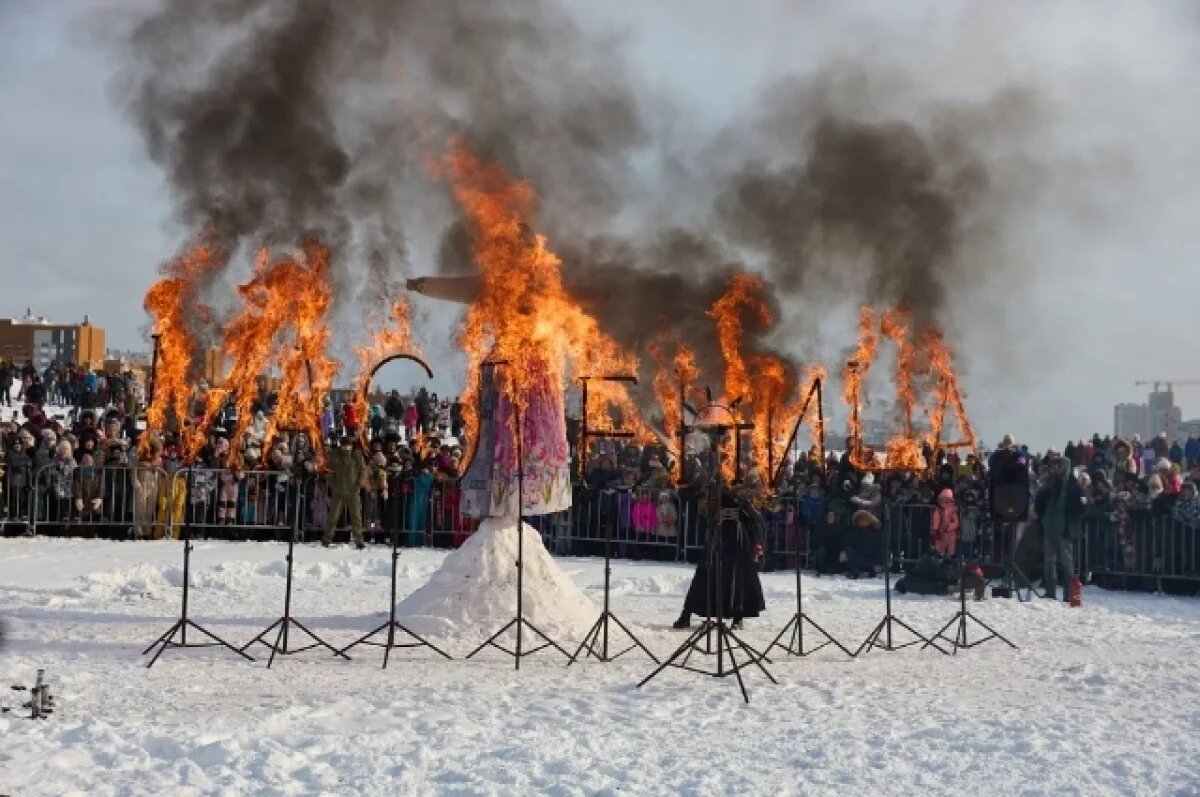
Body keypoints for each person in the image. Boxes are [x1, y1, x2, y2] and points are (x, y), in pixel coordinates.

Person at [672, 477, 766, 631]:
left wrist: (742, 496)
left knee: (737, 576)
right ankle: (686, 614)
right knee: (705, 573)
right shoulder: (714, 483)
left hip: (737, 536)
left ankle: (738, 616)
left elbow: (753, 515)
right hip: (718, 533)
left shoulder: (743, 486)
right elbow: (697, 501)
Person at [1033, 455, 1083, 600]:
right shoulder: (1049, 484)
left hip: (1064, 530)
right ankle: (1050, 592)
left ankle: (1068, 594)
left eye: (1058, 466)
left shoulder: (1073, 486)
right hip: (1049, 528)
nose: (1055, 468)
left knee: (1067, 563)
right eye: (1054, 466)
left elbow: (1080, 508)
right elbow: (1040, 503)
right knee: (1049, 561)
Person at [323, 435, 367, 549]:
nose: (346, 448)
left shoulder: (357, 456)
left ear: (351, 446)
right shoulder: (334, 455)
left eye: (348, 445)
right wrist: (334, 486)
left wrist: (358, 485)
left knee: (356, 517)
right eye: (344, 445)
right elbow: (328, 472)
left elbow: (362, 471)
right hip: (338, 492)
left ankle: (359, 540)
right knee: (333, 517)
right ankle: (327, 539)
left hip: (353, 491)